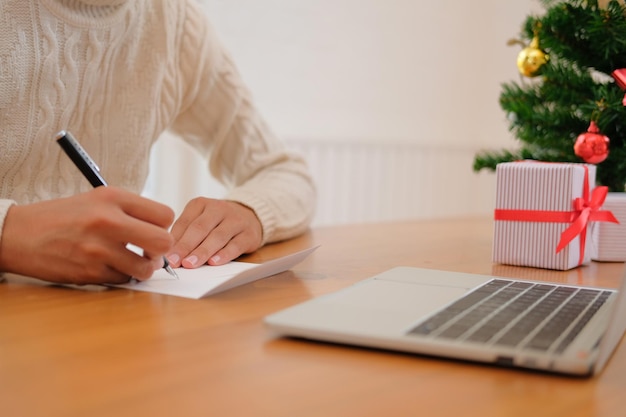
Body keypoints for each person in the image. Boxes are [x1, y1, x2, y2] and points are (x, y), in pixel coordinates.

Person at [0, 0, 316, 284]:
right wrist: (9, 235)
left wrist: (250, 212)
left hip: (102, 316)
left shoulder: (175, 23)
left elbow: (286, 174)